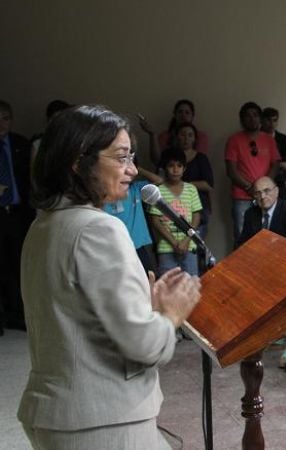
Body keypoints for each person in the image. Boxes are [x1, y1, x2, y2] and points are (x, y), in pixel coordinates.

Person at [18, 105, 201, 448]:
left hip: (57, 412)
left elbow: (73, 313)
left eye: (132, 156)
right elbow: (145, 346)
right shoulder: (99, 229)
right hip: (103, 418)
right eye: (121, 157)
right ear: (78, 160)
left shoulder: (41, 225)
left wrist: (142, 304)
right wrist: (170, 314)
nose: (132, 169)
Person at [0, 100, 35, 333]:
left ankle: (17, 314)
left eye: (5, 118)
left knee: (18, 264)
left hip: (17, 213)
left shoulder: (21, 144)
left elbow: (30, 179)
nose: (1, 123)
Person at [225, 101, 281, 241]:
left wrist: (265, 188)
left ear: (260, 118)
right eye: (248, 116)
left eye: (255, 115)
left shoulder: (268, 139)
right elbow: (231, 170)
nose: (252, 119)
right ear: (242, 119)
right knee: (242, 235)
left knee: (269, 235)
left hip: (267, 195)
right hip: (242, 196)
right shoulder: (234, 140)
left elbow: (275, 164)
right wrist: (250, 187)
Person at [148, 148, 203, 276]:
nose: (175, 169)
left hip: (189, 245)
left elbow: (196, 217)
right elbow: (155, 221)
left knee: (191, 284)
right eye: (171, 166)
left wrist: (186, 240)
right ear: (165, 168)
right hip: (166, 247)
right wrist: (173, 242)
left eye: (179, 166)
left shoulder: (191, 189)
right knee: (168, 286)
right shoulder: (159, 191)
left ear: (184, 168)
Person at [174, 122, 214, 238]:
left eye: (190, 135)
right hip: (174, 206)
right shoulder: (169, 157)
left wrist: (183, 184)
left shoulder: (201, 158)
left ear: (195, 139)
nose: (186, 138)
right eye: (183, 134)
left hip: (198, 207)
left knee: (196, 247)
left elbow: (209, 185)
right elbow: (161, 179)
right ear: (177, 137)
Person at [236, 176, 286, 248]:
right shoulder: (250, 214)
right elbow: (243, 243)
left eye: (267, 191)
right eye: (258, 193)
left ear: (276, 191)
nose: (262, 196)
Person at [260, 107, 286, 200]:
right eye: (268, 120)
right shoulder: (255, 136)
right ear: (262, 120)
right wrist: (278, 163)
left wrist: (272, 163)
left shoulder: (282, 138)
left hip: (279, 183)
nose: (272, 124)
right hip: (260, 181)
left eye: (275, 120)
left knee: (281, 211)